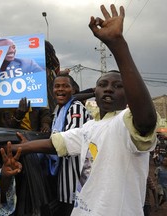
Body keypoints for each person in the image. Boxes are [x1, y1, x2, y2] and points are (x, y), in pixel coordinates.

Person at [9, 4, 159, 215]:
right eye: (103, 84)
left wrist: (118, 45)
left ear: (129, 95)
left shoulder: (128, 122)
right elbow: (56, 143)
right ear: (94, 91)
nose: (108, 89)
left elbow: (145, 120)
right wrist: (21, 148)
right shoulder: (90, 127)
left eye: (118, 86)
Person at [43, 73, 91, 215]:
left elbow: (68, 143)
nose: (60, 89)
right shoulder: (59, 111)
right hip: (63, 184)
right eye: (57, 86)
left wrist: (29, 147)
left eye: (65, 86)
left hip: (75, 185)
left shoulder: (76, 109)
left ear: (73, 90)